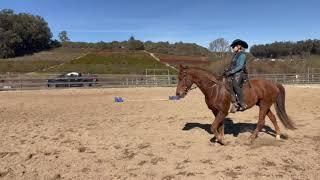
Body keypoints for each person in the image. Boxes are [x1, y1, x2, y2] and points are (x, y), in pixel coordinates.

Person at [223, 39, 249, 112]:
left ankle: (242, 103)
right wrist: (227, 71)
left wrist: (231, 72)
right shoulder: (235, 55)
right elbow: (232, 65)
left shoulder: (242, 55)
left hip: (240, 73)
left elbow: (240, 66)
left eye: (233, 47)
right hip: (234, 73)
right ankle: (234, 102)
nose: (232, 48)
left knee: (235, 85)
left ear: (239, 46)